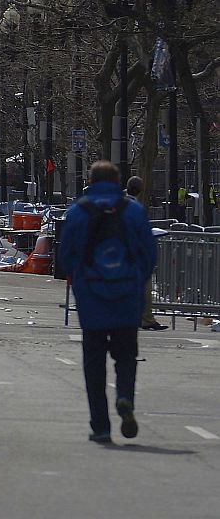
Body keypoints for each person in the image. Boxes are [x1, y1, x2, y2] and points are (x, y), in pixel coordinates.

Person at [59, 160, 156, 443]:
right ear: (118, 182)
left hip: (92, 299)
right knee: (126, 357)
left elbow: (65, 256)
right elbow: (149, 254)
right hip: (127, 296)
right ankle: (125, 396)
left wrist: (79, 280)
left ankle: (100, 426)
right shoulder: (134, 211)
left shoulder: (78, 212)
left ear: (90, 180)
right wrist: (136, 280)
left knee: (94, 363)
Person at [125, 175, 167, 332]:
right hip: (133, 256)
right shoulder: (136, 208)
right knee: (145, 286)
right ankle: (146, 318)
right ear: (141, 190)